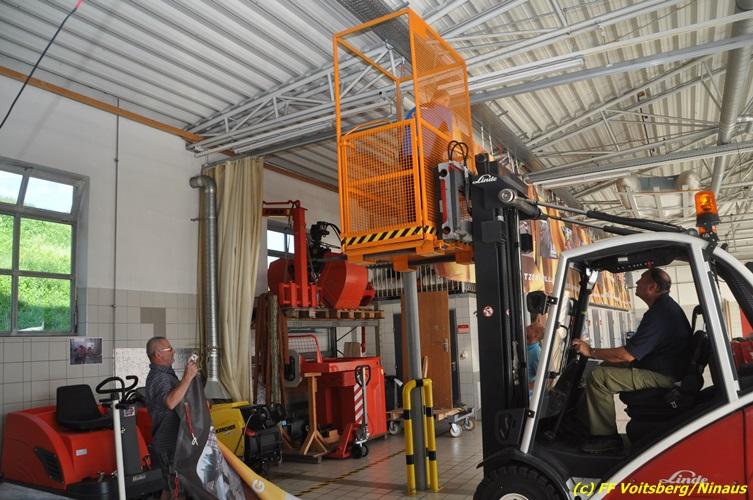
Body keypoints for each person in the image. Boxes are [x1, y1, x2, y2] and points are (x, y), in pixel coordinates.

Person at [571, 268, 691, 454]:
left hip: (663, 375)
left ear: (652, 287)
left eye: (641, 279)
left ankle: (606, 438)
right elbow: (632, 351)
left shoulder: (660, 314)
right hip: (659, 366)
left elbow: (627, 355)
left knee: (599, 377)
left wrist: (591, 351)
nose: (636, 283)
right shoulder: (663, 309)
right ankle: (584, 424)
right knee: (608, 365)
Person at [145, 336, 199, 497]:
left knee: (170, 488)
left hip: (174, 441)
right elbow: (170, 402)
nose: (173, 351)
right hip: (167, 443)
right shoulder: (158, 377)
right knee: (176, 489)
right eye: (169, 349)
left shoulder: (166, 374)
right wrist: (187, 377)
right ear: (158, 355)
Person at [403, 89, 453, 164]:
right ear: (434, 98)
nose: (446, 104)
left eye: (448, 102)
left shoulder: (417, 109)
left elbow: (404, 127)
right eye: (445, 100)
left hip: (407, 153)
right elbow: (448, 136)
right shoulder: (445, 112)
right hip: (428, 156)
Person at [526, 315, 545, 396]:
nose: (527, 327)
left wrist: (524, 387)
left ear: (535, 336)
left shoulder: (536, 354)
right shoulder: (526, 345)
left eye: (531, 327)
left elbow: (542, 381)